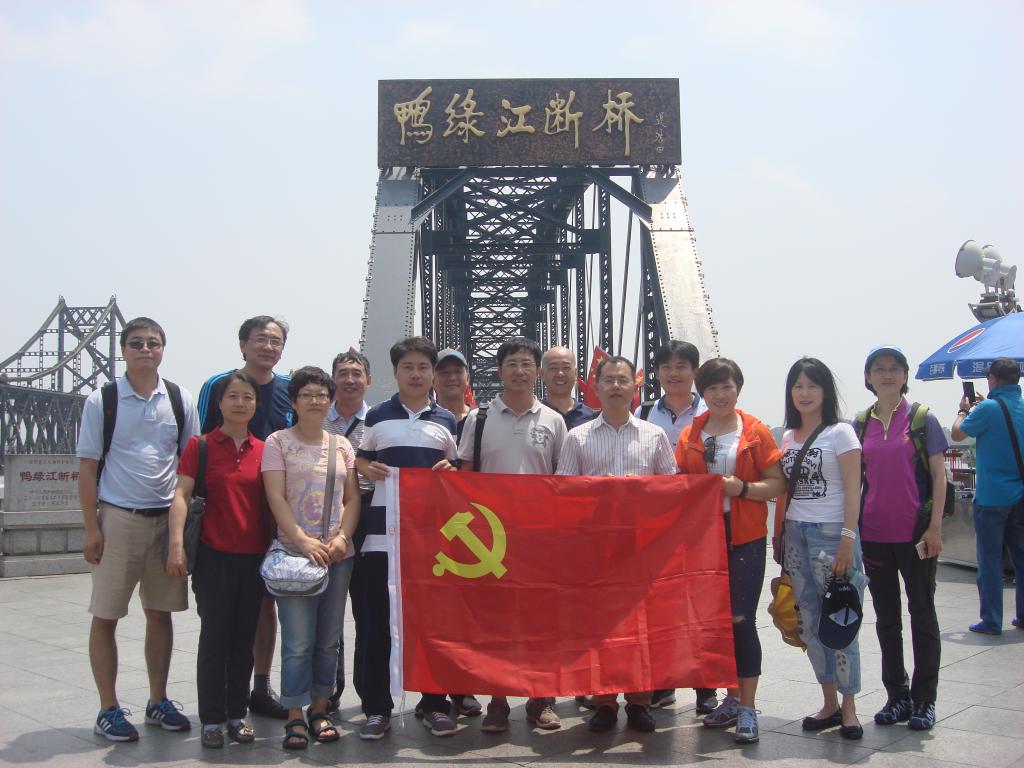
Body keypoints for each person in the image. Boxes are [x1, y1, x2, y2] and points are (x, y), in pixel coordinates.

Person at [76, 317, 200, 741]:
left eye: (153, 343)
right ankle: (107, 708)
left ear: (163, 349)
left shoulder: (180, 398)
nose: (145, 349)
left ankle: (157, 700)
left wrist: (182, 532)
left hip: (166, 520)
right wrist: (91, 527)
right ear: (123, 350)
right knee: (106, 615)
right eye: (136, 343)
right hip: (118, 518)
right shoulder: (103, 400)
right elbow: (87, 467)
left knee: (160, 614)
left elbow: (189, 463)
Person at [557, 355, 677, 734]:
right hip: (595, 547)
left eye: (623, 380)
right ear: (595, 386)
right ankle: (604, 701)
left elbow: (672, 490)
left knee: (642, 625)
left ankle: (640, 701)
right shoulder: (577, 437)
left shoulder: (654, 435)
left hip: (642, 545)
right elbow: (563, 492)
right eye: (608, 379)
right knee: (599, 625)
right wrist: (597, 491)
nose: (615, 386)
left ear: (634, 387)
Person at [458, 337, 568, 732]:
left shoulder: (554, 420)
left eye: (526, 364)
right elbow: (465, 477)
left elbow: (564, 480)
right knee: (495, 622)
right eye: (511, 364)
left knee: (542, 619)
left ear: (537, 371)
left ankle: (542, 700)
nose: (519, 371)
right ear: (499, 370)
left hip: (540, 537)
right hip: (492, 539)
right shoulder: (479, 419)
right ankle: (498, 700)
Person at [675, 358, 785, 744]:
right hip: (703, 538)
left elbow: (777, 483)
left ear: (738, 388)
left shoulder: (754, 430)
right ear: (702, 392)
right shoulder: (690, 433)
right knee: (713, 622)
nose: (720, 395)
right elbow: (679, 483)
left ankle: (748, 708)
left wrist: (741, 489)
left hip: (745, 536)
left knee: (741, 619)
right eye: (712, 388)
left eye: (727, 387)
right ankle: (731, 698)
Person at [355, 337, 459, 740]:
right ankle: (376, 709)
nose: (416, 374)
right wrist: (367, 467)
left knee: (431, 625)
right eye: (408, 367)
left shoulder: (446, 419)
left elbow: (455, 470)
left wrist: (450, 471)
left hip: (430, 541)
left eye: (423, 367)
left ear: (432, 373)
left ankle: (434, 704)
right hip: (382, 538)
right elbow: (361, 458)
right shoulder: (377, 416)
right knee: (377, 625)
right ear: (395, 372)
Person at [196, 315, 292, 719]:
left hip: (275, 514)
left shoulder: (289, 388)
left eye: (276, 341)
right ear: (242, 345)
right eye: (260, 339)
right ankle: (219, 697)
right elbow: (199, 446)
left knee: (265, 605)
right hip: (225, 519)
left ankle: (260, 686)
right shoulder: (217, 385)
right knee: (219, 616)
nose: (268, 347)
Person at [167, 371, 268, 748]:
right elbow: (181, 496)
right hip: (214, 556)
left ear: (256, 404)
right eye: (233, 396)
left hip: (253, 558)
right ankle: (211, 719)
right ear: (220, 403)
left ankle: (236, 714)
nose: (240, 403)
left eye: (248, 397)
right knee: (214, 638)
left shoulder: (266, 449)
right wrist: (176, 544)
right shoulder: (201, 446)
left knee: (243, 639)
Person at [262, 366, 361, 750]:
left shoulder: (342, 445)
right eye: (307, 394)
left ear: (330, 399)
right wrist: (303, 541)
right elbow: (275, 497)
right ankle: (294, 714)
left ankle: (320, 710)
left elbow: (352, 498)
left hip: (337, 554)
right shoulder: (278, 443)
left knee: (329, 639)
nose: (315, 401)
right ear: (294, 401)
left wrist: (342, 538)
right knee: (298, 640)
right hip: (294, 553)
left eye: (321, 394)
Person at [856, 345, 947, 731]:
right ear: (869, 377)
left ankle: (925, 700)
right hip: (874, 535)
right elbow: (854, 480)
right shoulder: (861, 423)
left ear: (905, 375)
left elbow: (939, 476)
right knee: (887, 620)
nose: (887, 374)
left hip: (915, 535)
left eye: (894, 368)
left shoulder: (923, 419)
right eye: (879, 368)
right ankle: (897, 696)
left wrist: (934, 527)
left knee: (922, 615)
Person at [776, 358, 865, 741]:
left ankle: (850, 707)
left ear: (826, 391)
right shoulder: (787, 436)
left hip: (832, 536)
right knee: (810, 623)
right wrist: (779, 538)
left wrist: (847, 538)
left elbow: (853, 489)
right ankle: (828, 702)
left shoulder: (840, 433)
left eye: (812, 385)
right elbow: (784, 490)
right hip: (797, 533)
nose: (805, 393)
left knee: (841, 622)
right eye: (798, 386)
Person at [635, 339, 710, 713]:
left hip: (701, 522)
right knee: (659, 604)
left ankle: (705, 685)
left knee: (702, 602)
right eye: (666, 367)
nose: (674, 373)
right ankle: (662, 682)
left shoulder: (712, 410)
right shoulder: (645, 412)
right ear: (657, 373)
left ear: (695, 371)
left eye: (682, 366)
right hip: (657, 524)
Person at [952, 356, 1024, 637]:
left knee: (991, 561)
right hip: (1020, 496)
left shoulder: (988, 409)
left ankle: (992, 620)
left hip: (992, 497)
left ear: (992, 379)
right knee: (1021, 559)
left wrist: (963, 411)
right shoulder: (1019, 406)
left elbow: (958, 434)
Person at [322, 350, 373, 712]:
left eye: (357, 374)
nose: (350, 380)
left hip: (367, 517)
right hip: (324, 520)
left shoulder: (380, 421)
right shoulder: (314, 418)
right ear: (333, 380)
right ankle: (328, 690)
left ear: (368, 380)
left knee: (367, 610)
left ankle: (369, 692)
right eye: (343, 373)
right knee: (328, 615)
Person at [540, 345, 597, 430]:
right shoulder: (533, 416)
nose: (560, 374)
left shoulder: (593, 418)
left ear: (575, 373)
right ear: (542, 374)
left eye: (566, 367)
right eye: (553, 368)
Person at [435, 348, 474, 442]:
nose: (452, 378)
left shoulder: (483, 421)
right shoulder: (423, 421)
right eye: (445, 372)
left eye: (457, 371)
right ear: (432, 379)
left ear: (468, 378)